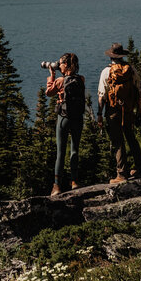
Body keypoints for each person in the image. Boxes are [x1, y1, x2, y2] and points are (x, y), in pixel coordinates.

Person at [97, 42, 141, 184]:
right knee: (131, 138)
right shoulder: (131, 69)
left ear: (111, 56)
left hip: (113, 111)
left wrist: (100, 113)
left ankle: (122, 174)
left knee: (118, 142)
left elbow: (102, 95)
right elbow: (138, 89)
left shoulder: (106, 72)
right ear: (122, 56)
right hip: (128, 110)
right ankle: (140, 168)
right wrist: (139, 109)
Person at [45, 52, 85, 196]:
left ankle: (56, 186)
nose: (58, 65)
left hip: (64, 118)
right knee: (74, 150)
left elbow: (48, 93)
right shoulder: (81, 79)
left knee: (61, 152)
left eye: (60, 63)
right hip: (78, 119)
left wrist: (51, 76)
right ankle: (74, 181)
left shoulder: (60, 81)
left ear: (66, 65)